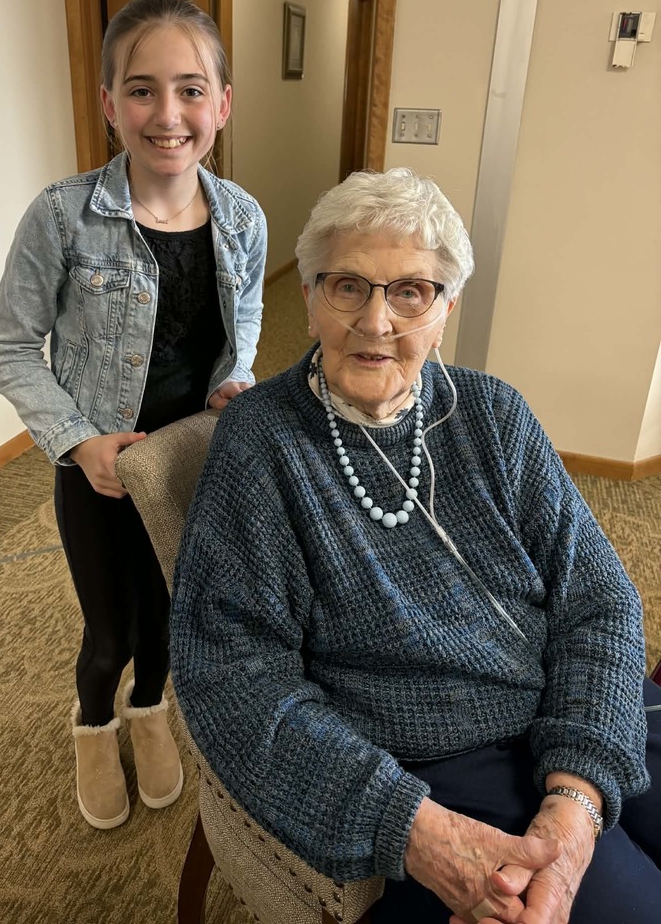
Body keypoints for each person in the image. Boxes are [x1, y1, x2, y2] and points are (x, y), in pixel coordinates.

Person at [170, 168, 660, 923]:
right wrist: (410, 827)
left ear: (444, 310)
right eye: (347, 286)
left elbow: (597, 599)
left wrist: (574, 796)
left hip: (570, 701)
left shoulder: (494, 413)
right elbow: (234, 679)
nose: (376, 322)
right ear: (308, 299)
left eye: (410, 292)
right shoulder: (260, 446)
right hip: (434, 765)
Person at [0, 0, 266, 830]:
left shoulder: (244, 218)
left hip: (187, 463)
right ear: (110, 104)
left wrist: (235, 378)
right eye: (141, 90)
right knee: (108, 631)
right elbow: (8, 346)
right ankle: (95, 725)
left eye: (190, 89)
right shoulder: (62, 216)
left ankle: (152, 713)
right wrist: (76, 441)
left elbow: (241, 328)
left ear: (222, 104)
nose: (167, 113)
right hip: (100, 475)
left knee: (171, 619)